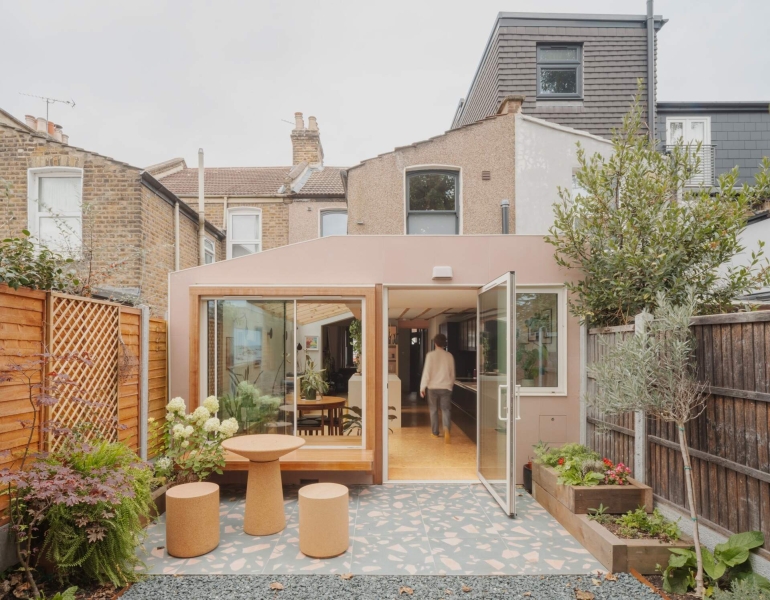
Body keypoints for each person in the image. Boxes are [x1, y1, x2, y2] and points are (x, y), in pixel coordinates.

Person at [419, 333, 455, 444]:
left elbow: (427, 372)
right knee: (445, 409)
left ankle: (435, 432)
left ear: (435, 343)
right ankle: (446, 429)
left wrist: (422, 387)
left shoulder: (430, 355)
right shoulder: (449, 356)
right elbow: (452, 373)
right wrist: (450, 385)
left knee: (433, 410)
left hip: (432, 387)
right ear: (444, 344)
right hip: (445, 387)